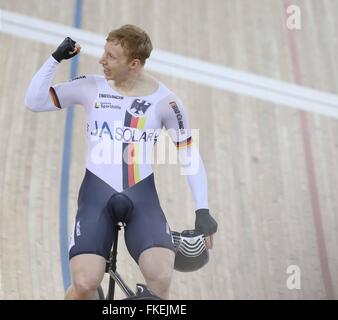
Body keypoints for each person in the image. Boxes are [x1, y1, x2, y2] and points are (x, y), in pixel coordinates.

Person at [24, 24, 218, 300]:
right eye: (104, 52)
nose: (102, 59)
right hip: (96, 196)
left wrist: (202, 209)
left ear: (134, 64)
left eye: (111, 56)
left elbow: (188, 153)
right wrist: (55, 59)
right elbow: (34, 101)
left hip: (141, 198)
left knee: (161, 279)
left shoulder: (166, 102)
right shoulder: (91, 86)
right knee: (83, 284)